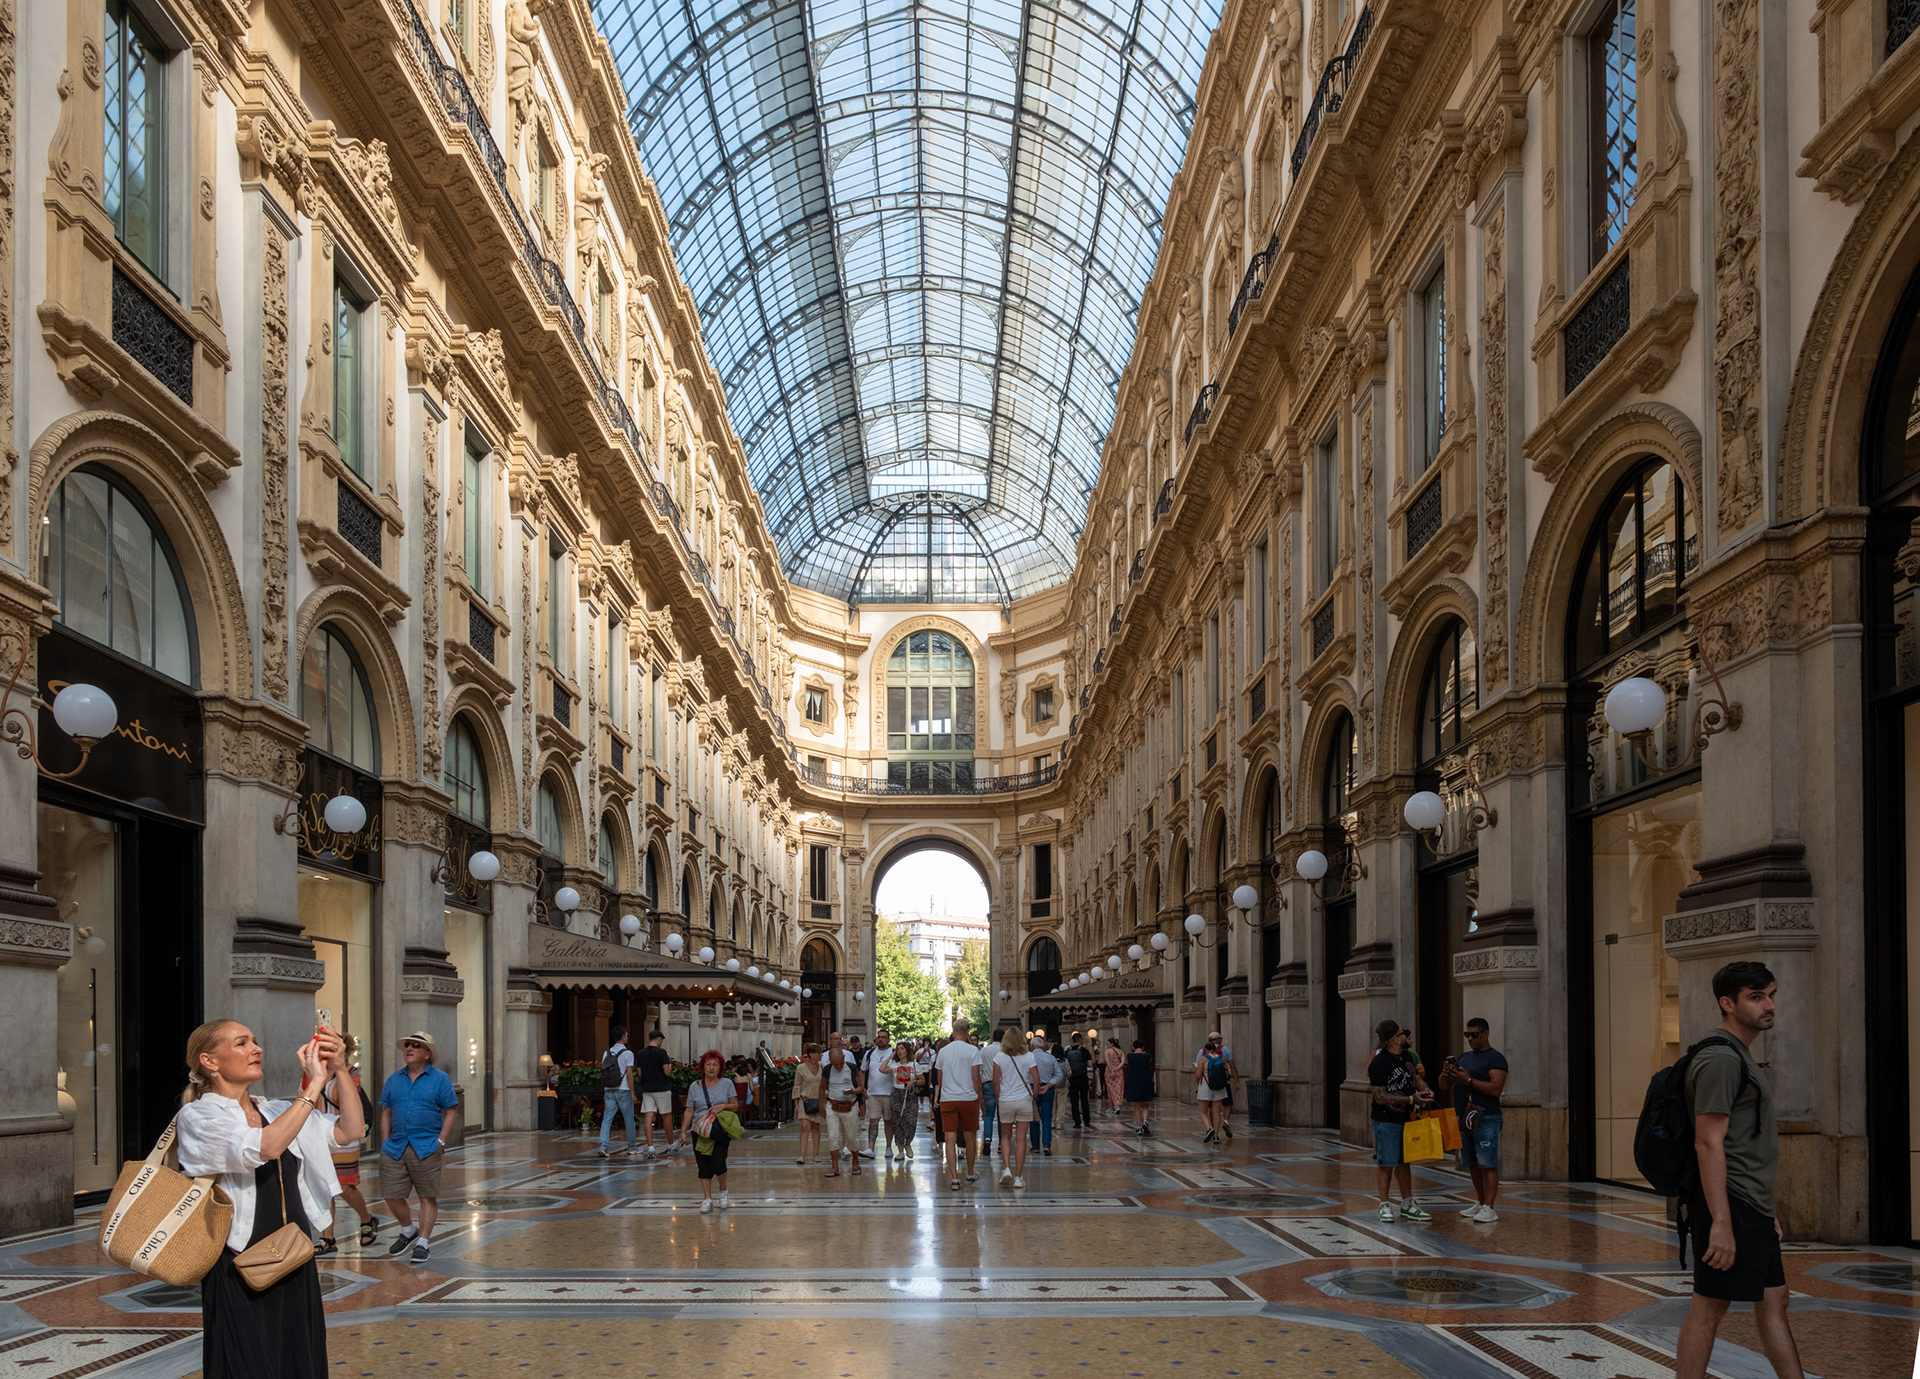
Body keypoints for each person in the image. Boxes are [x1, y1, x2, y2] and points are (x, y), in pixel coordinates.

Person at [176, 1018, 366, 1376]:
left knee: (296, 1357)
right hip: (238, 1260)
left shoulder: (277, 1110)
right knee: (247, 1361)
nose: (256, 1049)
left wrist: (339, 1069)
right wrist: (313, 1089)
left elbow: (351, 1130)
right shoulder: (199, 1116)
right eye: (242, 1043)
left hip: (292, 1254)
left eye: (255, 1041)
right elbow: (266, 1146)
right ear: (209, 1061)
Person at [1676, 962, 1802, 1379]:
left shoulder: (1739, 1056)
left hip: (1751, 1204)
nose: (1769, 1005)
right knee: (1710, 1306)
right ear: (1727, 1004)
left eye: (1771, 995)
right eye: (1756, 996)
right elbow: (1707, 1142)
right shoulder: (1720, 1060)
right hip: (1730, 1204)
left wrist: (1766, 1210)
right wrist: (1723, 1223)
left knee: (1775, 1297)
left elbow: (1744, 1141)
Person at [378, 1031, 460, 1262]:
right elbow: (386, 1111)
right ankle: (408, 1229)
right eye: (407, 1045)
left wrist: (441, 1140)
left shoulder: (440, 1079)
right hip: (395, 1146)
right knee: (391, 1194)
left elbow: (451, 1109)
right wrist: (384, 1141)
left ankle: (423, 1242)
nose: (409, 1048)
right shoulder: (394, 1079)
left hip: (426, 1146)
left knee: (427, 1195)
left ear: (427, 1053)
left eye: (415, 1045)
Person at [1438, 1017, 1509, 1223]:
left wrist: (1468, 1080)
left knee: (1488, 1163)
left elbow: (1496, 1089)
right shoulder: (1464, 1057)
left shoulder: (1496, 1059)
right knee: (1471, 1162)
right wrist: (1446, 1073)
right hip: (1464, 1117)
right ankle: (1480, 1202)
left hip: (1486, 1116)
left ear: (1486, 1033)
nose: (1470, 1038)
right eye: (1467, 1034)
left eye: (1474, 1034)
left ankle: (1490, 1206)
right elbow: (1444, 1085)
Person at [311, 1038, 377, 1254]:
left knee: (345, 1186)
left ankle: (367, 1220)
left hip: (343, 1133)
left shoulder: (350, 1072)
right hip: (318, 1133)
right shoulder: (312, 1070)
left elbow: (350, 1101)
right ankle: (327, 1238)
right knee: (324, 1186)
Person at [1368, 1020, 1433, 1222]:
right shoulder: (1379, 1063)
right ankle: (1384, 1204)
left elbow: (1415, 1079)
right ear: (1396, 1039)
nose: (1406, 1035)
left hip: (1406, 1117)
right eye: (1402, 1033)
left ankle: (1408, 1203)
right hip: (1385, 1119)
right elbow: (1380, 1096)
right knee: (1386, 1162)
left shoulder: (1407, 1057)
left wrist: (1425, 1089)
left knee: (1404, 1162)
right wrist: (1411, 1099)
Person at [675, 1049, 737, 1211]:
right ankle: (707, 1198)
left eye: (714, 1065)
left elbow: (735, 1105)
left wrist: (723, 1106)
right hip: (699, 1130)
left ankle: (723, 1190)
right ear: (703, 1067)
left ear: (720, 1067)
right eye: (708, 1064)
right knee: (704, 1166)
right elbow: (689, 1109)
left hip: (719, 1129)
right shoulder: (694, 1087)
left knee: (718, 1163)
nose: (711, 1068)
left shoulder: (727, 1084)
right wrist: (683, 1131)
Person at [934, 1016, 984, 1189]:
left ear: (953, 1032)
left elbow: (939, 1079)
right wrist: (979, 1098)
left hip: (948, 1099)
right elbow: (976, 1078)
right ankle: (970, 1173)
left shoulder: (943, 1052)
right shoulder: (973, 1051)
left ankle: (954, 1178)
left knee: (950, 1137)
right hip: (968, 1098)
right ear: (968, 1032)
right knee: (970, 1137)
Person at [991, 1027, 1039, 1187]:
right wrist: (1033, 1097)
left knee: (1005, 1136)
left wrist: (999, 1098)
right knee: (1021, 1139)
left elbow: (996, 1081)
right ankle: (1018, 1177)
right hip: (1024, 1100)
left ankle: (1006, 1169)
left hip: (1005, 1100)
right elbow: (1036, 1080)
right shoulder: (1029, 1056)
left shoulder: (999, 1057)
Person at [820, 1034, 865, 1177]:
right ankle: (834, 1167)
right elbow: (821, 1088)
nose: (838, 1066)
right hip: (832, 1106)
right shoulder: (827, 1069)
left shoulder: (851, 1068)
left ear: (844, 1059)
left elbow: (861, 1087)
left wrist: (853, 1091)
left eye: (840, 1063)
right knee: (832, 1137)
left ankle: (855, 1162)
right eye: (835, 1064)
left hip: (850, 1106)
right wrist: (822, 1105)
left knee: (852, 1136)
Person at [598, 1026, 637, 1159]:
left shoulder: (606, 1053)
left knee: (607, 1119)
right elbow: (629, 1074)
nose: (627, 1036)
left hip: (609, 1089)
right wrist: (633, 1093)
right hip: (623, 1089)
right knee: (628, 1119)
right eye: (626, 1034)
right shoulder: (628, 1054)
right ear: (623, 1037)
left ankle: (603, 1145)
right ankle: (631, 1147)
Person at [635, 1031, 675, 1158]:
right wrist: (670, 1064)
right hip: (661, 1088)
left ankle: (650, 1147)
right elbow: (667, 1072)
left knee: (648, 1116)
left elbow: (640, 1072)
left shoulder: (641, 1053)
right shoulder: (662, 1052)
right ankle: (670, 1144)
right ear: (658, 1039)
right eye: (661, 1041)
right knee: (666, 1115)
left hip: (647, 1089)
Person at [1194, 1033, 1239, 1143]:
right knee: (1216, 1112)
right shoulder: (1222, 1058)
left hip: (1206, 1086)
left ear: (1205, 1049)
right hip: (1220, 1087)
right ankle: (1216, 1137)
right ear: (1215, 1049)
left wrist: (1198, 1084)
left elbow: (1198, 1074)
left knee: (1203, 1111)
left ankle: (1209, 1129)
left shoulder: (1203, 1059)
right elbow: (1227, 1074)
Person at [882, 1038, 922, 1159]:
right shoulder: (894, 1065)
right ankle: (900, 1150)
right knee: (897, 1122)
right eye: (897, 1049)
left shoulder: (914, 1064)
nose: (899, 1051)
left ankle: (908, 1143)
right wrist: (890, 1057)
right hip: (896, 1094)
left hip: (910, 1094)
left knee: (910, 1121)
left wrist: (913, 1082)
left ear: (907, 1051)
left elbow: (922, 1080)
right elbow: (882, 1069)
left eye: (902, 1049)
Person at [1028, 1036, 1064, 1156]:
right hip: (1047, 1089)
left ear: (1032, 1047)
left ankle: (1035, 1146)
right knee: (1047, 1118)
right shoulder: (1050, 1058)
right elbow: (1059, 1075)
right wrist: (1048, 1085)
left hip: (1033, 1088)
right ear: (1043, 1047)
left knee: (1034, 1118)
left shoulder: (1028, 1057)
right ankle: (1047, 1145)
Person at [862, 1029, 894, 1160]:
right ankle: (870, 1148)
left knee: (888, 1121)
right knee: (873, 1120)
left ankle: (888, 1147)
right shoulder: (869, 1053)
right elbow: (863, 1071)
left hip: (889, 1093)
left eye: (884, 1037)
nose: (880, 1039)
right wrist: (863, 1087)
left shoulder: (894, 1053)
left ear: (888, 1040)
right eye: (879, 1037)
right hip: (873, 1093)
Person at [793, 1043, 825, 1165]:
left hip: (818, 1100)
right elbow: (796, 1086)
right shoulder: (800, 1068)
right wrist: (796, 1104)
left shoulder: (822, 1067)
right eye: (819, 1053)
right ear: (812, 1055)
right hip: (804, 1100)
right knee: (805, 1126)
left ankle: (816, 1153)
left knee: (816, 1127)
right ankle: (802, 1155)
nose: (821, 1055)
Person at [1124, 1040, 1156, 1134]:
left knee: (1136, 1105)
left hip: (1134, 1081)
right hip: (1145, 1080)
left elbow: (1127, 1063)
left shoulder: (1130, 1055)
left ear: (1133, 1047)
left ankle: (1138, 1127)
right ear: (1143, 1047)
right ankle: (1145, 1121)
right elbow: (1149, 1062)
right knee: (1145, 1103)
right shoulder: (1147, 1055)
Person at [1065, 1033, 1095, 1129]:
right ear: (1080, 1040)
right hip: (1082, 1077)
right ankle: (1086, 1121)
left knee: (1074, 1101)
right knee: (1084, 1100)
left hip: (1072, 1078)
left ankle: (1077, 1122)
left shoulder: (1067, 1051)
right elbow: (1090, 1064)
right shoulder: (1084, 1050)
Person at [979, 1029, 1001, 1157]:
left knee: (988, 1114)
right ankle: (1001, 1143)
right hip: (1002, 1084)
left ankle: (987, 1138)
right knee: (1002, 1115)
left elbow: (980, 1068)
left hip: (987, 1083)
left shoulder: (984, 1050)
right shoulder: (1005, 1050)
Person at [1104, 1038, 1127, 1119]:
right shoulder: (1121, 1052)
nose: (1107, 1045)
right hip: (1119, 1072)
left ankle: (1112, 1106)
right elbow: (1123, 1062)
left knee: (1110, 1089)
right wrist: (1117, 1069)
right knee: (1118, 1088)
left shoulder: (1107, 1051)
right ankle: (1117, 1105)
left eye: (1107, 1044)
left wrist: (1111, 1070)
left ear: (1112, 1044)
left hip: (1109, 1071)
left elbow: (1107, 1061)